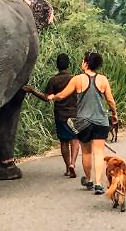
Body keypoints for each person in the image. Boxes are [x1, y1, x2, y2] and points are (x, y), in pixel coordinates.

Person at [48, 52, 118, 195]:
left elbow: (62, 95)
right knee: (99, 153)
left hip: (84, 123)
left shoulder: (78, 79)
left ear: (86, 64)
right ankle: (99, 183)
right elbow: (111, 101)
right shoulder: (103, 80)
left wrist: (52, 96)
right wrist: (114, 114)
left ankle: (88, 179)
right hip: (100, 121)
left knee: (86, 152)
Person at [23, 53, 80, 178]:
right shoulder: (74, 79)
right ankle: (73, 164)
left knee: (64, 141)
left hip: (61, 114)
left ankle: (67, 167)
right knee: (75, 139)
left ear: (57, 65)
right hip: (74, 114)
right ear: (68, 65)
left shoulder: (54, 80)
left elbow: (47, 98)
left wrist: (33, 91)